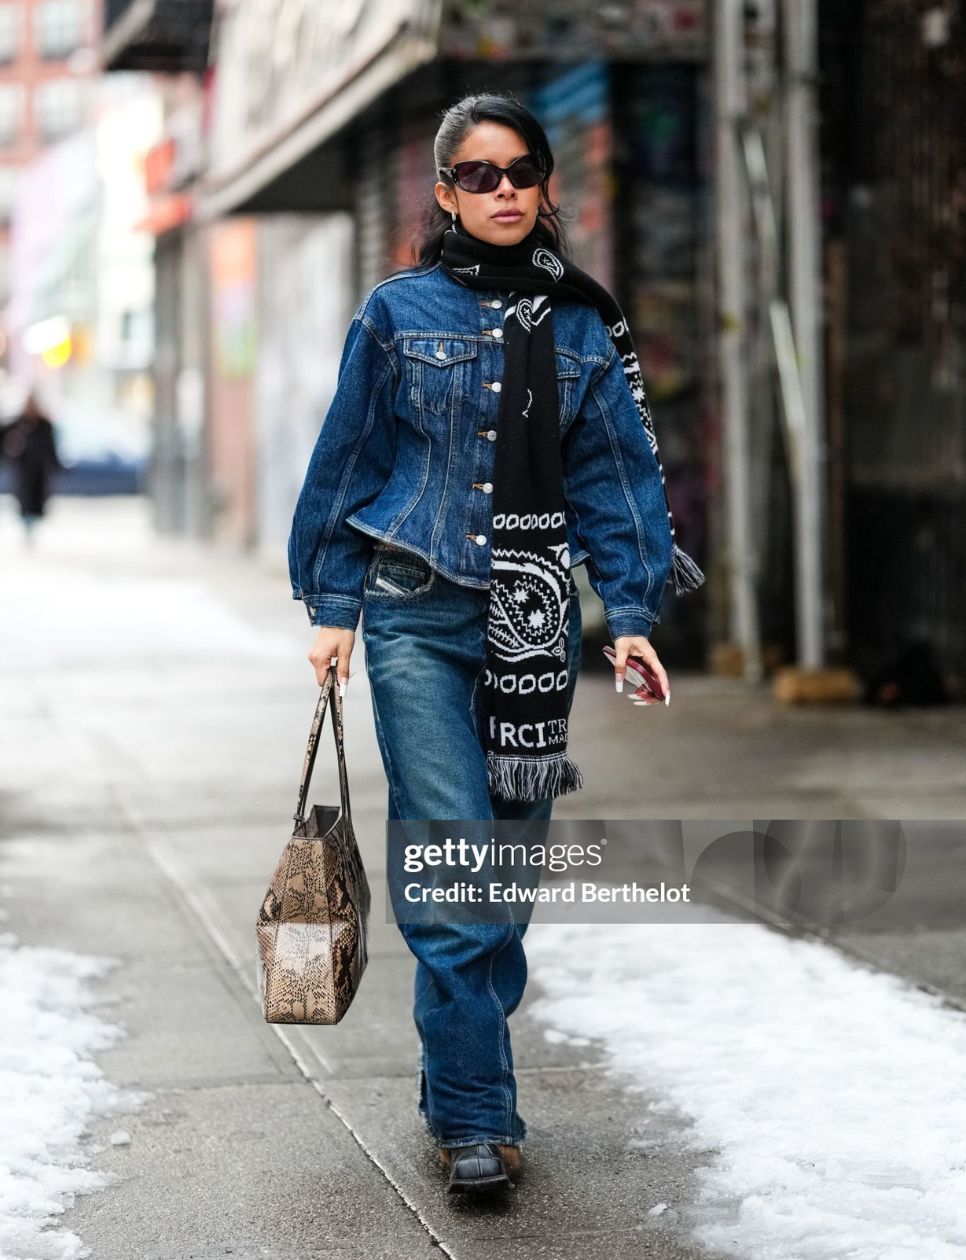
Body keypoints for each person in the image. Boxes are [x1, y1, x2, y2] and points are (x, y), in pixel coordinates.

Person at [288, 91, 703, 1194]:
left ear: (545, 182)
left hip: (534, 625)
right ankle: (477, 1113)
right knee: (451, 860)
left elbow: (615, 482)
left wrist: (636, 619)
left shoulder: (582, 325)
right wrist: (332, 607)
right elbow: (346, 464)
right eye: (480, 174)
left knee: (502, 877)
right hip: (416, 614)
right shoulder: (395, 312)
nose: (505, 189)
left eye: (522, 170)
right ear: (444, 192)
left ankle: (452, 1062)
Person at [0, 391, 63, 544]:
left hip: (39, 469)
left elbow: (50, 447)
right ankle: (27, 526)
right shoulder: (17, 423)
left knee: (37, 499)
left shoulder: (44, 424)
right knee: (24, 499)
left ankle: (32, 525)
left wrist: (56, 465)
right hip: (23, 469)